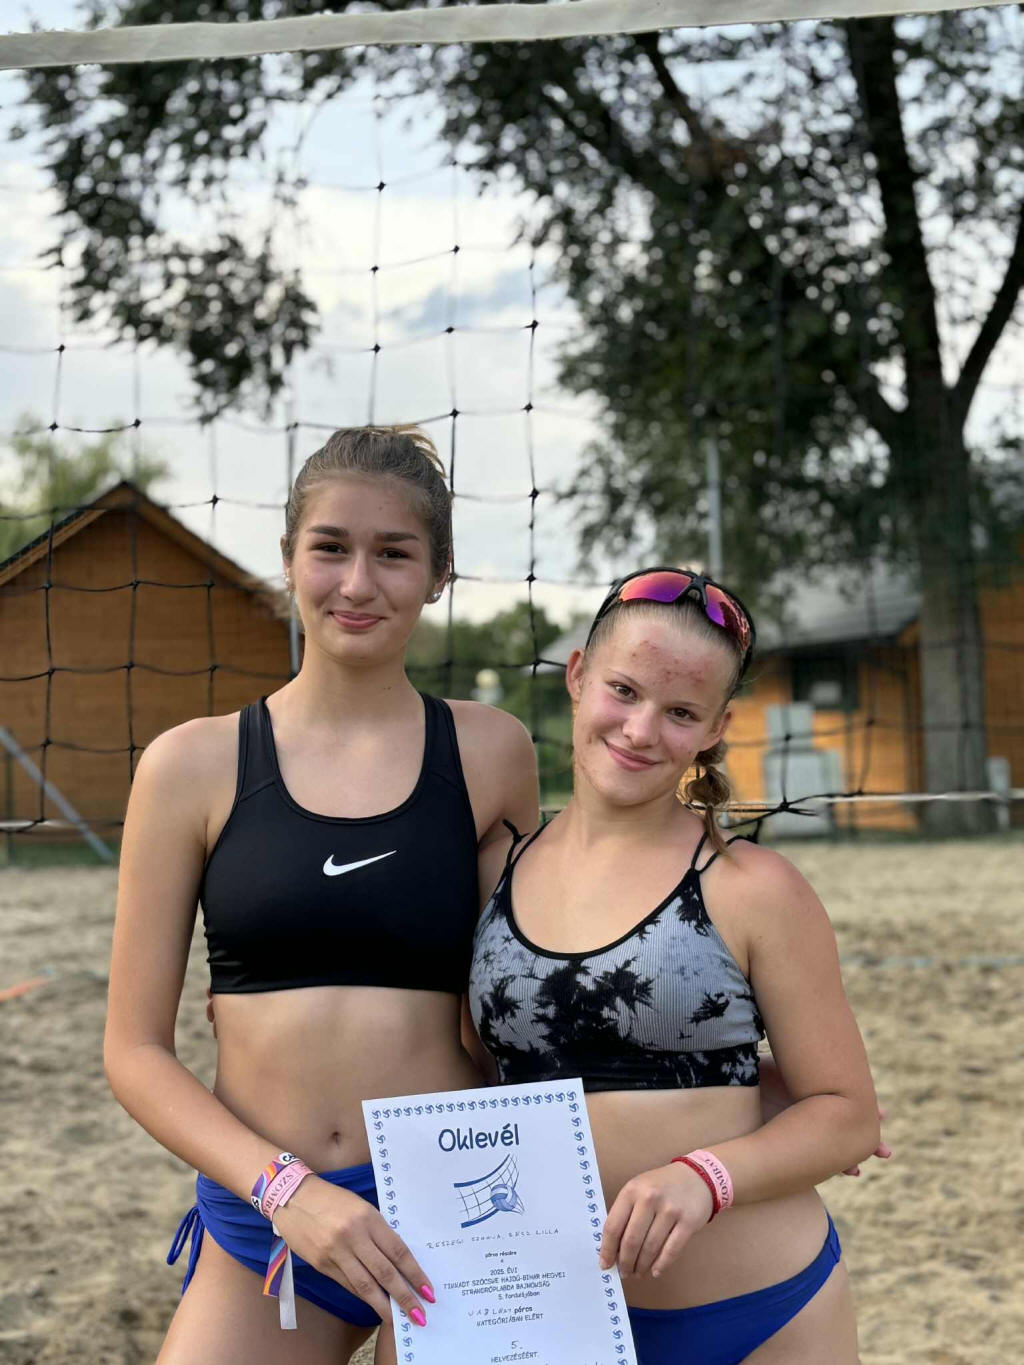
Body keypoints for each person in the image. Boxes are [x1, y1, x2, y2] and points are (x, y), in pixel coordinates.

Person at [103, 425, 539, 1365]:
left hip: (456, 1204)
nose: (357, 582)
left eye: (395, 553)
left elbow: (520, 1005)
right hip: (271, 1213)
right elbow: (133, 1051)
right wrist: (286, 1189)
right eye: (331, 547)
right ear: (290, 558)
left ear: (440, 573)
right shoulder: (190, 764)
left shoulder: (491, 751)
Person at [468, 566, 882, 1364]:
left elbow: (848, 1115)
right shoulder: (494, 872)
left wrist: (704, 1173)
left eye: (681, 711)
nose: (641, 729)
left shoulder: (753, 887)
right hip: (552, 1316)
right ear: (578, 676)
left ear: (718, 727)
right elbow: (470, 1068)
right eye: (623, 690)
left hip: (759, 1311)